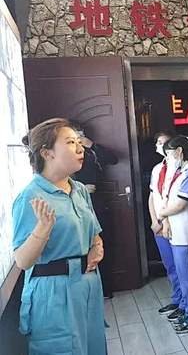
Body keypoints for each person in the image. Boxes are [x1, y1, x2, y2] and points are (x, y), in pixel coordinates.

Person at [13, 118, 106, 354]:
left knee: (92, 347)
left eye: (78, 141)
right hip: (54, 291)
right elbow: (22, 261)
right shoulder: (30, 197)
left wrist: (97, 246)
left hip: (87, 284)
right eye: (71, 142)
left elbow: (94, 233)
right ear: (47, 153)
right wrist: (42, 230)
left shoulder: (79, 189)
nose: (80, 147)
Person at [156, 135, 188, 334]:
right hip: (178, 234)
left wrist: (162, 214)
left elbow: (180, 204)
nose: (168, 158)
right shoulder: (180, 172)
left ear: (179, 152)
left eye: (169, 154)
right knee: (185, 278)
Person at [70, 121, 118, 298]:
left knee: (101, 243)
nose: (78, 139)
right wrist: (80, 187)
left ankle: (105, 288)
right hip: (74, 204)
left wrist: (91, 144)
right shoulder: (64, 156)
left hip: (96, 202)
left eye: (80, 134)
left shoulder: (91, 151)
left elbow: (113, 159)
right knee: (81, 245)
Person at [149, 132, 185, 320]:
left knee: (182, 267)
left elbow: (172, 200)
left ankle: (186, 303)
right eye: (158, 142)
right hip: (159, 224)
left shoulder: (178, 169)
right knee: (170, 266)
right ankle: (177, 299)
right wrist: (155, 221)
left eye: (164, 143)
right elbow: (153, 196)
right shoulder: (157, 169)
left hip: (173, 225)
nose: (160, 146)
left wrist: (165, 221)